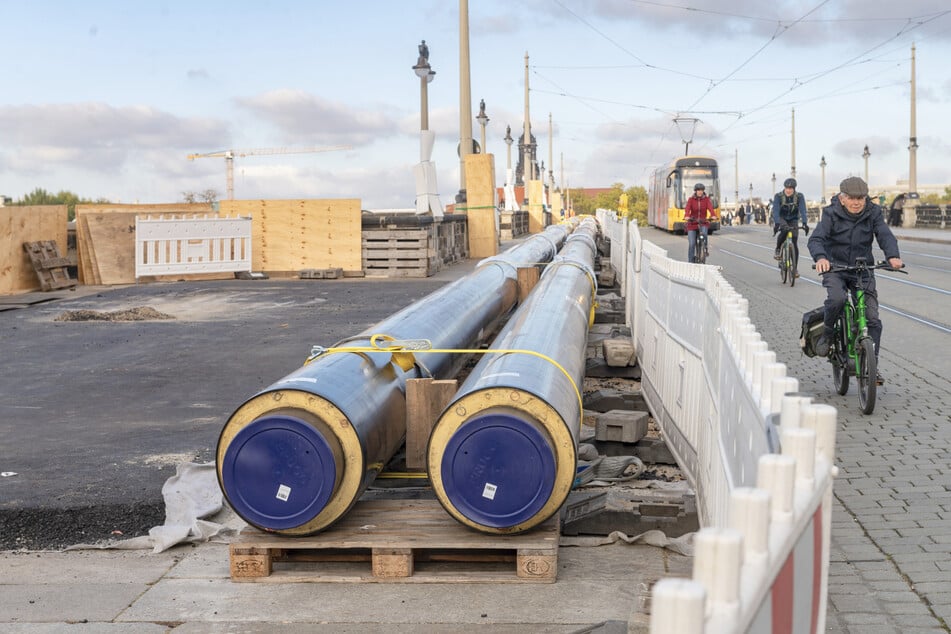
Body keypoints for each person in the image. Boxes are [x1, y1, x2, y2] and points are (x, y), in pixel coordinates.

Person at [808, 176, 903, 383]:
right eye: (852, 198)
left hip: (862, 269)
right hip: (835, 268)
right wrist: (821, 258)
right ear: (842, 198)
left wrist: (892, 256)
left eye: (861, 198)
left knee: (873, 319)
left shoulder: (873, 212)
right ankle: (828, 333)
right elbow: (816, 239)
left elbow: (884, 234)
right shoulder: (830, 213)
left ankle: (871, 366)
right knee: (837, 299)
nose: (856, 202)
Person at [772, 177, 809, 268]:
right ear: (784, 188)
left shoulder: (799, 196)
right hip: (782, 218)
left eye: (791, 188)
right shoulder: (778, 196)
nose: (788, 190)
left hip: (793, 219)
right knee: (784, 230)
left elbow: (803, 210)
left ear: (794, 189)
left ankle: (795, 269)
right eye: (787, 188)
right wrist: (777, 223)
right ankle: (778, 248)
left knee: (794, 241)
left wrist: (804, 223)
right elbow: (776, 211)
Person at [685, 183, 714, 263]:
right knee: (692, 244)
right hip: (692, 223)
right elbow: (687, 208)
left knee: (704, 234)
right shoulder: (691, 199)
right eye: (698, 190)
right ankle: (690, 262)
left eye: (701, 190)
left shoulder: (706, 199)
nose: (700, 192)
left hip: (703, 222)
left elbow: (710, 208)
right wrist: (687, 216)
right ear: (695, 191)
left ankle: (705, 248)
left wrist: (713, 215)